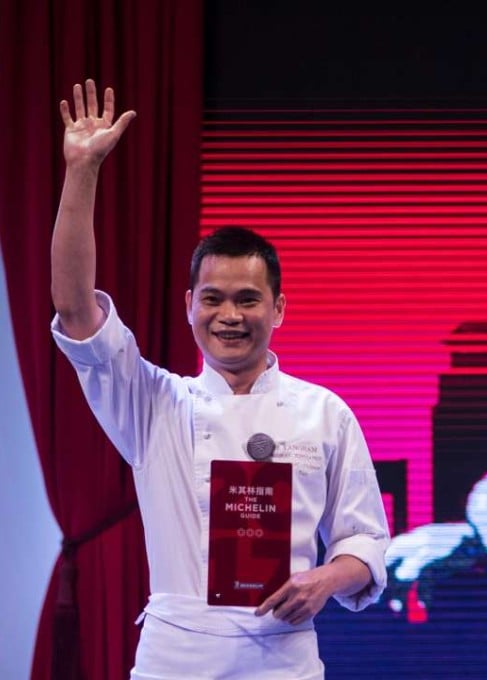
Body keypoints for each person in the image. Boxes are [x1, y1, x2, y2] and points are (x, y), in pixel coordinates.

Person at [50, 79, 390, 679]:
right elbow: (76, 309)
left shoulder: (325, 412)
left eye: (248, 299)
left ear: (279, 308)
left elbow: (364, 541)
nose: (229, 316)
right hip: (176, 659)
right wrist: (82, 171)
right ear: (188, 305)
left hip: (284, 659)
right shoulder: (154, 401)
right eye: (213, 299)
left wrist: (325, 579)